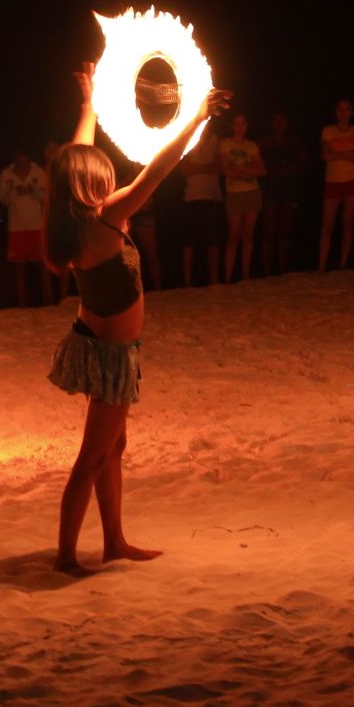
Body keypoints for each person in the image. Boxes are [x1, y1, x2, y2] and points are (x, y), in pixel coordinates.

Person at [46, 64, 228, 574]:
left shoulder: (73, 217)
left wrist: (88, 103)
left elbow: (71, 160)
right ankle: (65, 556)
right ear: (91, 185)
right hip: (109, 356)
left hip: (101, 345)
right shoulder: (108, 216)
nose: (111, 175)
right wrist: (195, 119)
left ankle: (114, 541)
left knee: (113, 447)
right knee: (93, 456)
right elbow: (159, 168)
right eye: (101, 172)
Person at [0, 147, 49, 308]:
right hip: (16, 226)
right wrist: (14, 192)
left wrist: (32, 191)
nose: (23, 158)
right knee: (19, 268)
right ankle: (23, 305)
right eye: (20, 154)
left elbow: (45, 196)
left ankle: (50, 302)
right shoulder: (6, 174)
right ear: (15, 155)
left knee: (43, 265)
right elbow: (2, 199)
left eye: (25, 154)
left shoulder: (38, 172)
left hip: (36, 224)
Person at [259, 110, 308, 274]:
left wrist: (289, 169)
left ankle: (282, 268)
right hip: (270, 188)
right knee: (268, 229)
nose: (279, 123)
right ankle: (266, 269)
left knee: (285, 230)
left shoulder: (294, 142)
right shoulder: (264, 142)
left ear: (286, 123)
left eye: (282, 120)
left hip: (289, 188)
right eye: (275, 120)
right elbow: (258, 165)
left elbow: (304, 164)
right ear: (271, 123)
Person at [318, 100, 354, 269]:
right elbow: (325, 156)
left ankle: (343, 262)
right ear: (336, 112)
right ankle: (322, 264)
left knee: (347, 223)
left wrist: (336, 153)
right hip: (332, 181)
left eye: (347, 110)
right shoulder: (328, 131)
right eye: (340, 110)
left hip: (352, 180)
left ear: (351, 112)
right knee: (327, 225)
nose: (344, 113)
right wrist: (348, 153)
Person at [218, 112, 265, 282]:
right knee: (233, 235)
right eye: (237, 123)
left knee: (248, 235)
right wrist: (247, 171)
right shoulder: (226, 144)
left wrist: (241, 171)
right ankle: (228, 276)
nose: (240, 127)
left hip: (252, 192)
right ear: (232, 126)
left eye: (243, 123)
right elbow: (225, 170)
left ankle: (245, 274)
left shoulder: (251, 146)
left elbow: (262, 170)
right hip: (235, 193)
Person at [179, 128, 225, 286]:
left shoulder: (216, 139)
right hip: (191, 197)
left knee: (213, 240)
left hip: (212, 196)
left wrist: (196, 167)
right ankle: (187, 282)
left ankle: (214, 279)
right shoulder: (189, 139)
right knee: (189, 242)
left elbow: (218, 167)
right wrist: (206, 167)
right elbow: (184, 169)